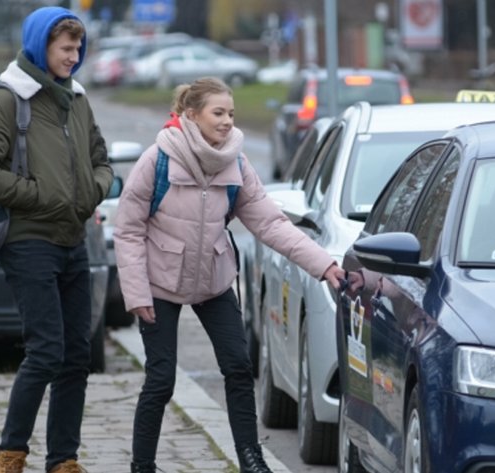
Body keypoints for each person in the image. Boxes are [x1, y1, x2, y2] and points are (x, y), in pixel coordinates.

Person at [113, 77, 346, 473]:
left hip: (213, 280)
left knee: (239, 367)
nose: (226, 122)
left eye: (231, 114)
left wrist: (323, 264)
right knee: (161, 380)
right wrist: (137, 294)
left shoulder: (236, 162)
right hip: (160, 283)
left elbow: (271, 224)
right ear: (191, 115)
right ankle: (143, 466)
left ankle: (251, 459)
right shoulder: (159, 159)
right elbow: (129, 229)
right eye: (217, 113)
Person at [0, 6, 113, 473]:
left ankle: (64, 459)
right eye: (65, 48)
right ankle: (11, 454)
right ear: (40, 45)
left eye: (78, 48)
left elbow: (102, 160)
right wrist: (40, 195)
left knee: (76, 355)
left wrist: (93, 190)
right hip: (29, 241)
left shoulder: (77, 98)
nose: (74, 56)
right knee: (45, 350)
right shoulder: (7, 99)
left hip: (74, 239)